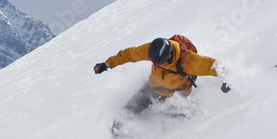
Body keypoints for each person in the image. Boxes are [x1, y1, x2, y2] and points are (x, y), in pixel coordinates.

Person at [94, 36, 230, 115]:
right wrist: (108, 64)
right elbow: (129, 54)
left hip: (175, 97)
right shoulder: (151, 50)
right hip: (151, 89)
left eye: (162, 62)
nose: (159, 65)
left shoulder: (189, 61)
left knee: (169, 121)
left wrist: (228, 81)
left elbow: (216, 66)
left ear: (170, 55)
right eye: (155, 63)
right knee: (126, 114)